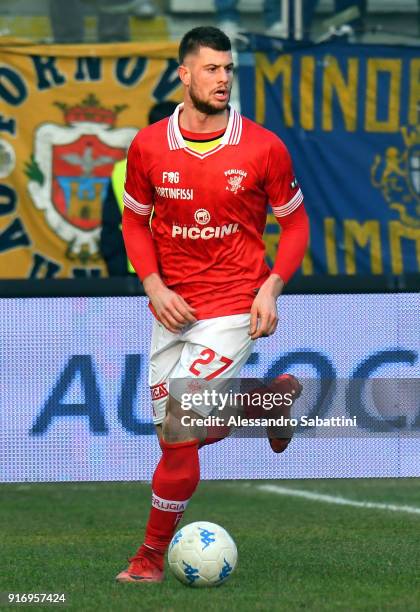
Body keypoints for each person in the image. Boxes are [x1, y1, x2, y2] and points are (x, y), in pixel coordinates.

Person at [117, 26, 309, 583]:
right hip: (172, 308)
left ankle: (149, 559)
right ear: (184, 73)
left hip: (233, 306)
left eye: (228, 69)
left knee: (180, 426)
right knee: (181, 431)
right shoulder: (149, 145)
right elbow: (134, 220)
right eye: (211, 69)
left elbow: (294, 224)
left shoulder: (263, 147)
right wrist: (153, 285)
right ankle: (268, 404)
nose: (223, 79)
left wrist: (271, 287)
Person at [100, 101, 178, 276]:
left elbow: (110, 230)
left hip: (137, 275)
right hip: (170, 275)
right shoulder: (195, 164)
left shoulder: (124, 168)